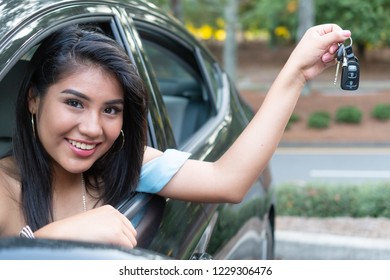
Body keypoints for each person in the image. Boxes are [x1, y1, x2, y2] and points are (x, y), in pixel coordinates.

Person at [0, 23, 351, 248]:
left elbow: (227, 181)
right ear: (33, 99)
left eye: (111, 109)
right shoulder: (4, 189)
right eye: (75, 103)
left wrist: (296, 74)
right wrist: (51, 240)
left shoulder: (122, 161)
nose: (93, 128)